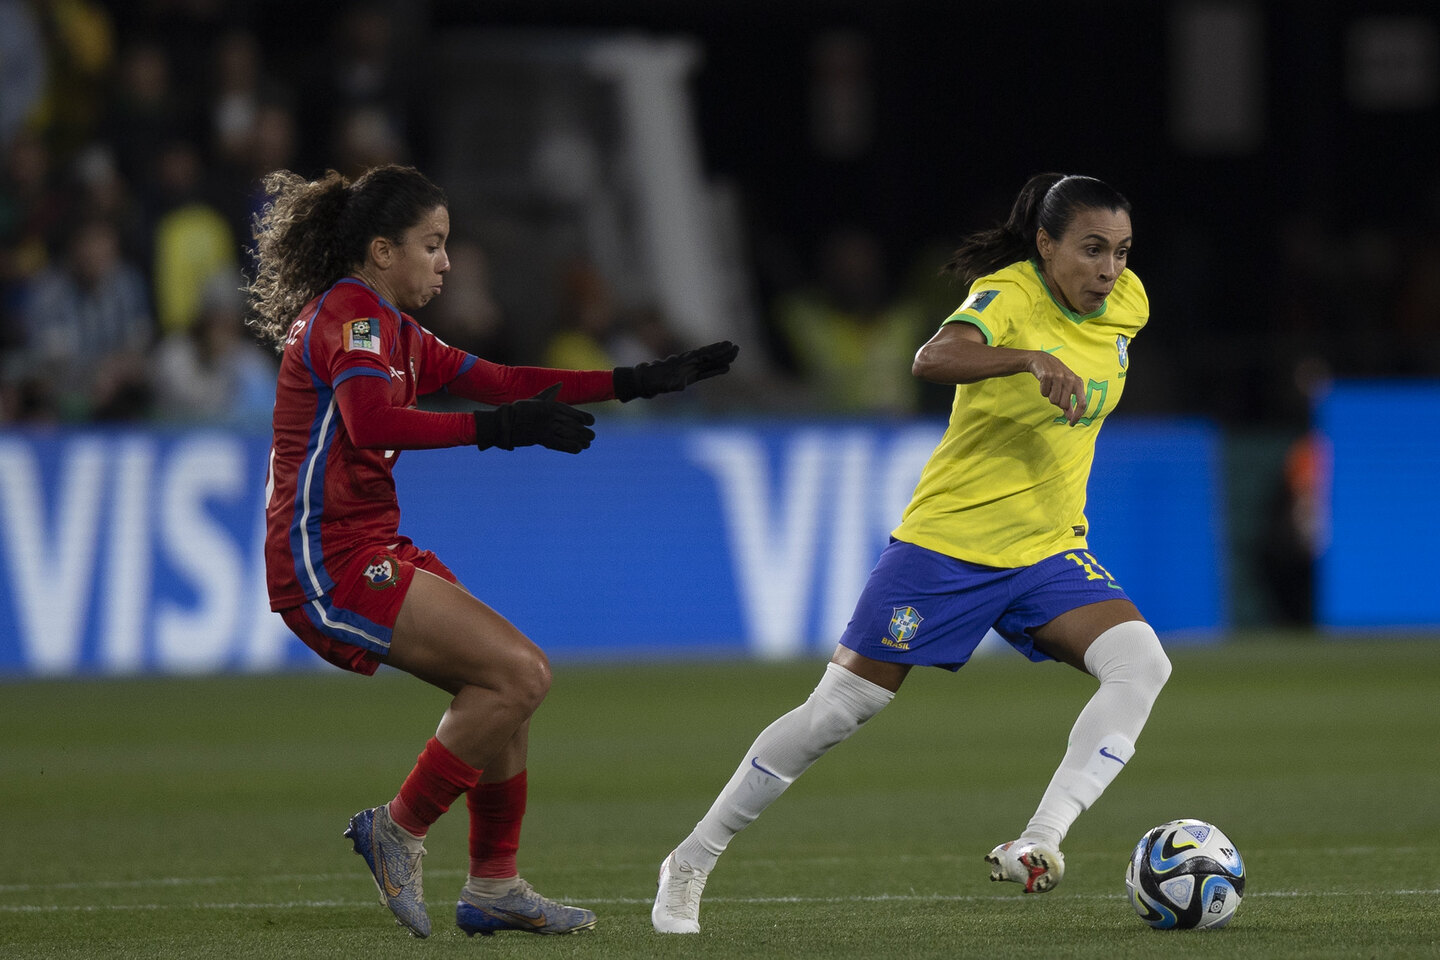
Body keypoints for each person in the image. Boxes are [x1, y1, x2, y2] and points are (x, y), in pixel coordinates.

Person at [652, 172, 1172, 933]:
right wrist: (1026, 360)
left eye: (1121, 252)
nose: (1109, 270)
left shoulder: (1129, 304)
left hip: (1046, 549)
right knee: (838, 711)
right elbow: (933, 358)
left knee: (1142, 663)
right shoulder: (1010, 296)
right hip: (948, 547)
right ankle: (691, 859)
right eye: (1091, 250)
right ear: (1045, 244)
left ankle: (1039, 839)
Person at [246, 163, 737, 939]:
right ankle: (397, 831)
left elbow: (503, 378)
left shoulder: (392, 327)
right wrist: (495, 432)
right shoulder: (354, 319)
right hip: (325, 559)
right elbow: (372, 423)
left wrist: (637, 380)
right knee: (521, 674)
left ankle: (494, 886)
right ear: (381, 250)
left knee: (504, 685)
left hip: (369, 542)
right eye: (432, 245)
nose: (445, 262)